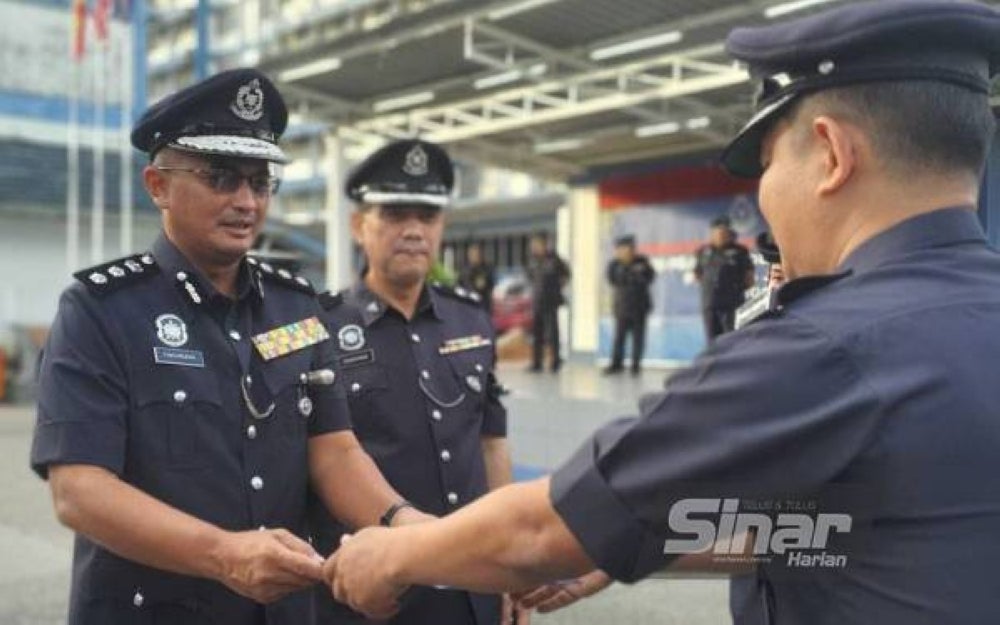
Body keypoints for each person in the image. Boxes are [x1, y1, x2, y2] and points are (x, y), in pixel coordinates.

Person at [320, 2, 1000, 624]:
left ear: (830, 154)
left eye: (764, 163)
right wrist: (613, 549)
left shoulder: (822, 346)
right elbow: (844, 530)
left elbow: (538, 531)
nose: (762, 195)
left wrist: (391, 555)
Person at [29, 68, 420, 625]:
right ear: (157, 185)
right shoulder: (100, 310)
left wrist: (401, 522)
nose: (245, 201)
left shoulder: (296, 307)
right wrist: (225, 555)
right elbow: (79, 490)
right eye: (220, 178)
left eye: (260, 183)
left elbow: (334, 450)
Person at [311, 139, 526, 625]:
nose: (413, 231)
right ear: (358, 224)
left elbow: (491, 443)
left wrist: (510, 567)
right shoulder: (321, 327)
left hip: (472, 584)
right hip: (375, 590)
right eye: (394, 215)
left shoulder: (470, 319)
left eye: (427, 217)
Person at [693, 216, 755, 341]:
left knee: (731, 340)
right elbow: (698, 274)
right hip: (710, 305)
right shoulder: (703, 251)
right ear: (712, 234)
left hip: (731, 305)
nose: (720, 235)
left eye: (723, 232)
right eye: (717, 232)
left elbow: (749, 278)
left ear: (729, 233)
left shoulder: (740, 251)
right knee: (712, 341)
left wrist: (733, 289)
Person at [603, 235, 655, 375]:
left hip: (640, 307)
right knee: (619, 338)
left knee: (638, 338)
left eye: (630, 248)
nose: (627, 251)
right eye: (623, 249)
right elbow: (612, 280)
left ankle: (635, 366)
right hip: (622, 307)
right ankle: (616, 365)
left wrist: (637, 274)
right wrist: (629, 274)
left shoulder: (642, 262)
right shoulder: (614, 264)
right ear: (618, 250)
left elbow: (650, 277)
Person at [525, 233, 570, 372]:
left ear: (544, 244)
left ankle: (555, 362)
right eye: (533, 245)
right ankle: (536, 363)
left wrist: (556, 289)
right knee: (537, 334)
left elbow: (566, 275)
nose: (534, 247)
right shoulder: (532, 261)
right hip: (537, 302)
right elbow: (530, 278)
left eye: (537, 244)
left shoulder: (555, 260)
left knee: (552, 334)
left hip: (551, 302)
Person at [457, 242, 496, 314]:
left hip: (482, 304)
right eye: (471, 254)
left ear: (480, 255)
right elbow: (459, 285)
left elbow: (489, 285)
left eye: (476, 254)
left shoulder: (486, 269)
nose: (473, 256)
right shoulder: (464, 270)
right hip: (467, 303)